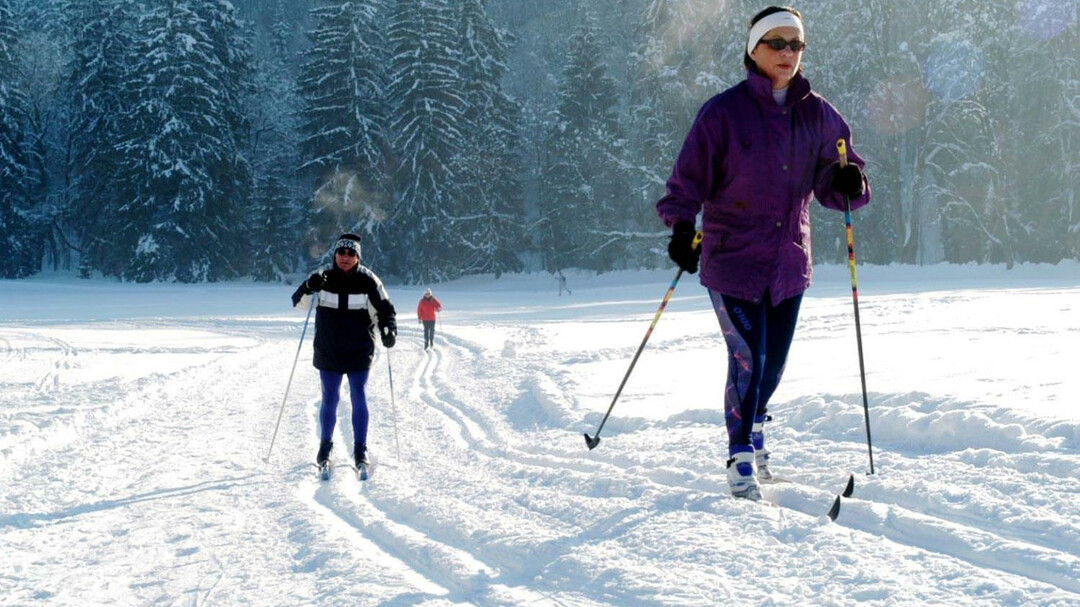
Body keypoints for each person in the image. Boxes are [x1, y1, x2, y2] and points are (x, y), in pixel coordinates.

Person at [655, 6, 870, 500]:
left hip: (789, 261)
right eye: (777, 43)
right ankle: (740, 457)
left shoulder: (818, 113)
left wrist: (848, 180)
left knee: (772, 365)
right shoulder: (722, 113)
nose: (787, 54)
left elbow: (842, 177)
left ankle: (755, 430)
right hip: (732, 260)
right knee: (748, 356)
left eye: (796, 45)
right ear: (753, 49)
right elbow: (686, 181)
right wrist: (682, 226)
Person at [291, 233, 397, 470]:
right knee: (330, 398)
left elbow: (385, 310)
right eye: (341, 253)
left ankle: (360, 448)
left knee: (358, 394)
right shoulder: (321, 277)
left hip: (359, 350)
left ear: (358, 256)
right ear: (335, 254)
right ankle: (325, 446)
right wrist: (309, 287)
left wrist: (389, 331)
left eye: (351, 254)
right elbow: (298, 303)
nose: (345, 258)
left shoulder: (369, 281)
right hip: (329, 350)